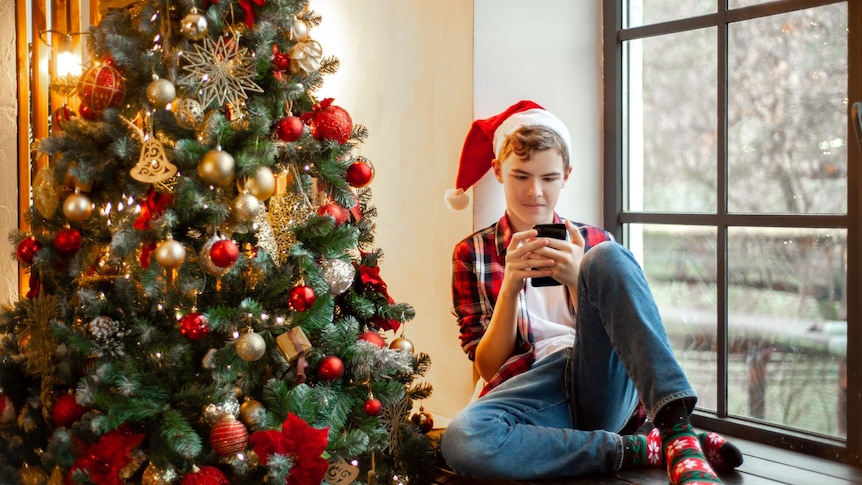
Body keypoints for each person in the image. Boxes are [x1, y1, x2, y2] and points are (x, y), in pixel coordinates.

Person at [439, 101, 742, 484]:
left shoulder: (596, 242)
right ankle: (642, 447)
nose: (535, 192)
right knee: (462, 440)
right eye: (521, 176)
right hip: (534, 389)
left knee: (608, 257)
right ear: (498, 171)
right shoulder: (474, 253)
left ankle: (677, 430)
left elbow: (624, 342)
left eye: (549, 178)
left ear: (566, 175)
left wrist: (575, 279)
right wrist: (512, 286)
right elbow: (486, 367)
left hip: (599, 382)